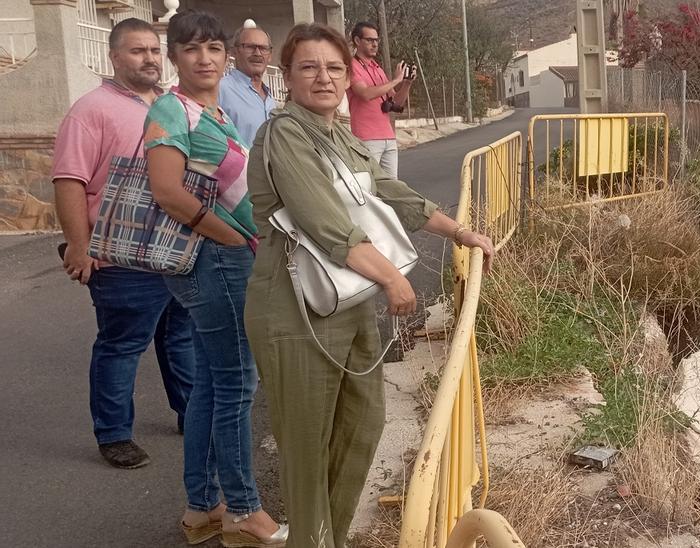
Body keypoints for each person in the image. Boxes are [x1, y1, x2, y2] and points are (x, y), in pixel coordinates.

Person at [245, 23, 494, 547]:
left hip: (350, 296)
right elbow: (323, 222)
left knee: (363, 424)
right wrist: (391, 279)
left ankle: (326, 537)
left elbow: (394, 194)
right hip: (297, 304)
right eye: (309, 67)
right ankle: (311, 540)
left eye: (335, 67)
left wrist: (462, 232)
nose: (324, 77)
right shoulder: (285, 133)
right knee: (308, 442)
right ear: (286, 76)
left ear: (349, 75)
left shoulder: (340, 135)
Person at [141, 10, 286, 547]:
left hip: (223, 258)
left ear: (225, 59)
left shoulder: (213, 110)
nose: (204, 57)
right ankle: (244, 509)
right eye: (192, 48)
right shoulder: (170, 109)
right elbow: (167, 190)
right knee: (236, 383)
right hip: (212, 261)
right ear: (175, 56)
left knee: (210, 382)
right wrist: (228, 237)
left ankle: (203, 506)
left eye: (213, 49)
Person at [50, 17, 196, 470]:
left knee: (181, 336)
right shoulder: (90, 110)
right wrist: (79, 245)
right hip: (120, 253)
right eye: (137, 51)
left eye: (154, 50)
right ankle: (113, 433)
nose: (149, 58)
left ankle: (191, 413)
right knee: (122, 343)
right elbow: (69, 180)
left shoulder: (173, 106)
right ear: (113, 57)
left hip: (174, 250)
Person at [346, 21, 414, 178]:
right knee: (371, 186)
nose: (375, 44)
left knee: (393, 188)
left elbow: (396, 103)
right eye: (370, 40)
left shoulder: (377, 68)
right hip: (367, 138)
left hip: (388, 137)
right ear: (357, 41)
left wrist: (406, 83)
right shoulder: (352, 66)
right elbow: (365, 94)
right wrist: (396, 80)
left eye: (376, 40)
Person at [220, 21, 277, 145]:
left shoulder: (269, 98)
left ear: (270, 55)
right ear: (234, 51)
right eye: (250, 47)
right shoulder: (221, 90)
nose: (257, 53)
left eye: (263, 48)